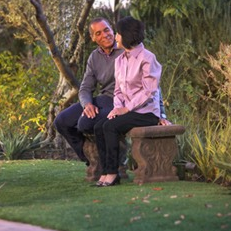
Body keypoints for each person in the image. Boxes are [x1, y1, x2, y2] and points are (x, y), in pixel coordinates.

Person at [54, 17, 170, 167]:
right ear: (93, 37)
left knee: (85, 124)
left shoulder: (128, 48)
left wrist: (161, 114)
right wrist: (87, 104)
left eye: (107, 30)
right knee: (61, 121)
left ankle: (114, 161)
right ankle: (90, 158)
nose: (105, 35)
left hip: (123, 103)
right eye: (98, 33)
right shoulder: (94, 58)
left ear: (113, 30)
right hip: (104, 99)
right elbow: (85, 87)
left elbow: (152, 86)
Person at [94, 16, 162, 187]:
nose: (115, 37)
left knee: (110, 126)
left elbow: (149, 90)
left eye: (117, 33)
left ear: (126, 35)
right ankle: (105, 171)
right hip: (128, 111)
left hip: (146, 112)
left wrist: (126, 109)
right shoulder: (120, 60)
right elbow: (118, 90)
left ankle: (112, 173)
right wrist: (117, 108)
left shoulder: (148, 58)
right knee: (98, 126)